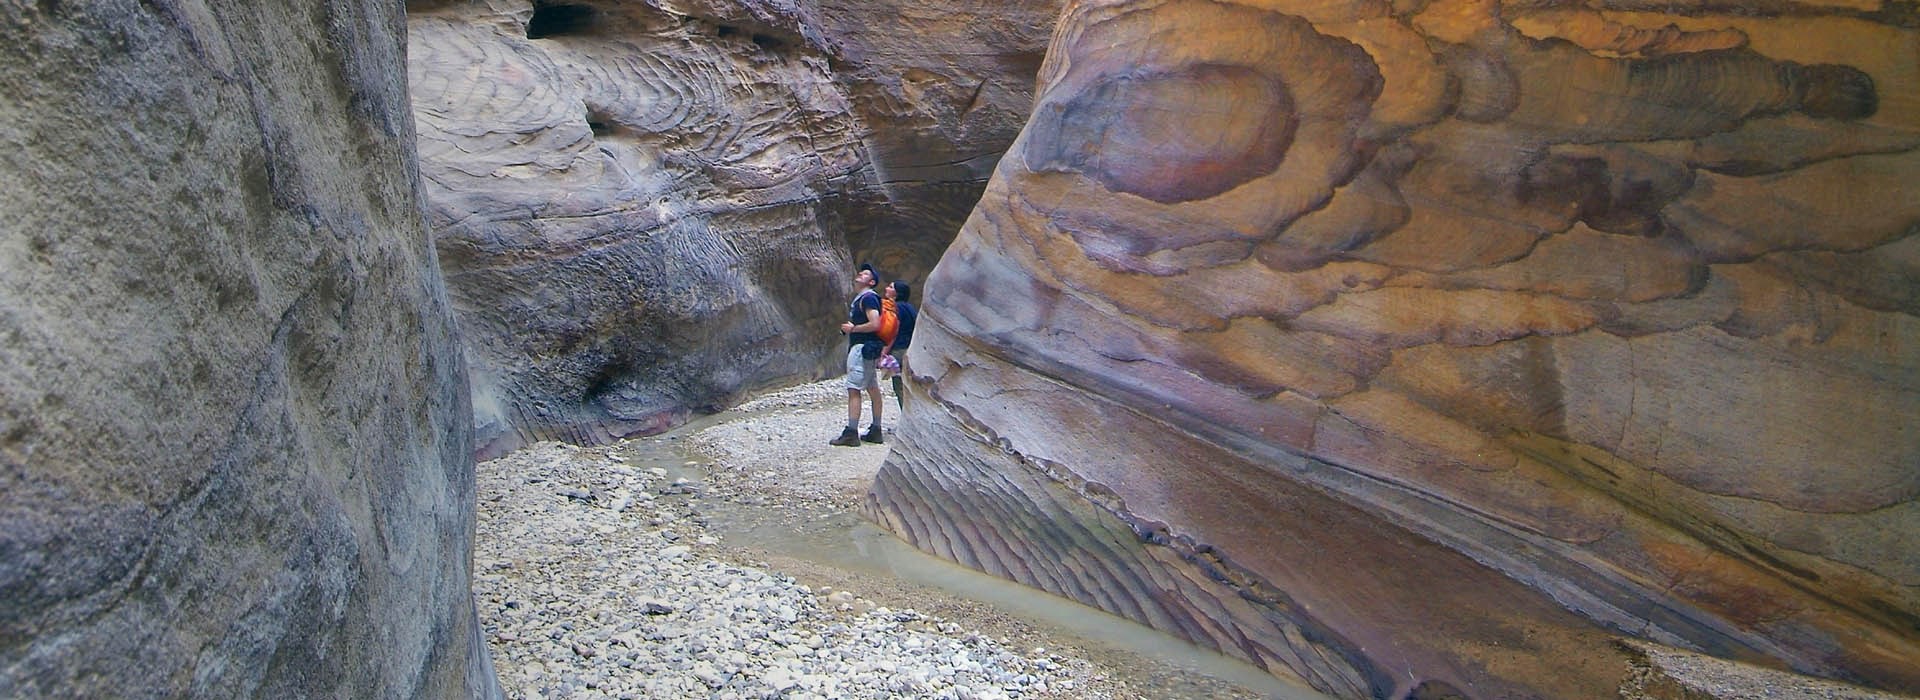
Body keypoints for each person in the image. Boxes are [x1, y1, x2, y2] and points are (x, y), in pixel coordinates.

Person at [831, 263, 885, 446]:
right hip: (867, 348)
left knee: (854, 390)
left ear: (871, 282)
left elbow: (875, 323)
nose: (860, 273)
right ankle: (876, 430)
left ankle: (851, 433)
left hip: (861, 349)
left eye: (865, 274)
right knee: (872, 389)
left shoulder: (868, 298)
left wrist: (853, 328)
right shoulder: (866, 298)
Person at [882, 280, 917, 412]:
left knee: (899, 385)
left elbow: (892, 330)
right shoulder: (910, 307)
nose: (886, 288)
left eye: (890, 287)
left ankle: (906, 417)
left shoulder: (894, 308)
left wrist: (884, 351)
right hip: (911, 348)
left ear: (897, 293)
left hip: (898, 350)